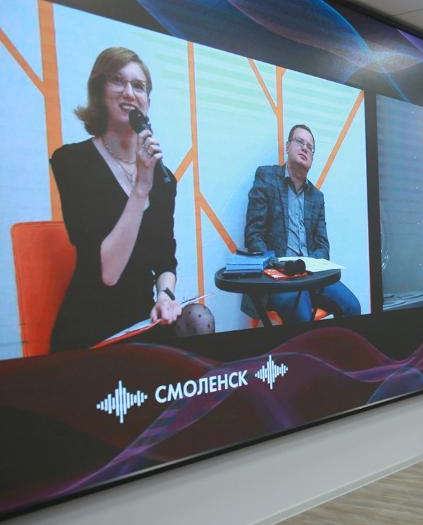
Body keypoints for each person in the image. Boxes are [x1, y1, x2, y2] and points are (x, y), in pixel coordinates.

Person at [50, 47, 212, 352]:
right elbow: (108, 274)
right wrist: (140, 188)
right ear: (100, 91)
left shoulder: (163, 178)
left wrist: (165, 296)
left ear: (147, 102)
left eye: (138, 86)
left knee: (197, 319)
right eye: (118, 81)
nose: (129, 92)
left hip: (142, 319)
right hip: (92, 324)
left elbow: (165, 260)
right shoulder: (72, 162)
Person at [243, 124, 360, 324]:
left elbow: (323, 246)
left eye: (310, 147)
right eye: (299, 141)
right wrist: (277, 266)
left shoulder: (316, 196)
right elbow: (254, 235)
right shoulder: (266, 178)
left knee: (353, 307)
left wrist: (310, 266)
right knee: (303, 316)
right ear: (287, 146)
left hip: (311, 275)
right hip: (279, 276)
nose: (305, 148)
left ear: (312, 158)